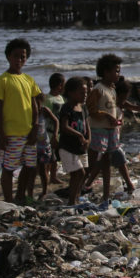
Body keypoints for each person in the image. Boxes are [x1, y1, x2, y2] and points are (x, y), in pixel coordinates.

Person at [0, 38, 43, 204]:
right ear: (8, 57)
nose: (19, 60)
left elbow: (35, 105)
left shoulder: (29, 79)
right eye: (16, 56)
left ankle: (20, 195)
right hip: (11, 133)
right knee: (9, 168)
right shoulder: (3, 80)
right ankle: (8, 200)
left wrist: (35, 126)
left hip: (28, 132)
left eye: (23, 57)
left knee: (29, 166)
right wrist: (1, 133)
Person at [84, 54, 123, 202]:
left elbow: (114, 109)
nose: (118, 74)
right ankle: (82, 186)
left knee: (107, 163)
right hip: (98, 130)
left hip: (110, 130)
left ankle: (106, 194)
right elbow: (91, 110)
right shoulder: (98, 89)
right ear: (106, 72)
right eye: (116, 71)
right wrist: (107, 116)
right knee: (93, 162)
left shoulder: (112, 89)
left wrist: (117, 119)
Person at [57, 77, 90, 206]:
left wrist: (88, 139)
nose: (85, 95)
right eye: (81, 92)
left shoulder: (83, 108)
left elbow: (87, 126)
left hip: (80, 147)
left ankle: (76, 197)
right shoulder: (67, 108)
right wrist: (79, 136)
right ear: (71, 93)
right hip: (68, 146)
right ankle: (71, 201)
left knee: (83, 173)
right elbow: (64, 126)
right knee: (78, 173)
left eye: (86, 92)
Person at [37, 72, 66, 196]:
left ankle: (53, 176)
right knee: (49, 157)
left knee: (55, 156)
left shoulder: (61, 98)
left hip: (58, 131)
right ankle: (47, 176)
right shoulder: (48, 99)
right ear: (59, 85)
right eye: (63, 85)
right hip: (48, 133)